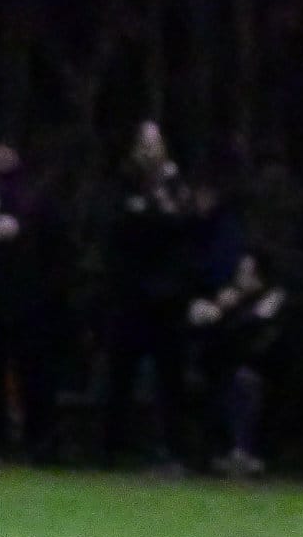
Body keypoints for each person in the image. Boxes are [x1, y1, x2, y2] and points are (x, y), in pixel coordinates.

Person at [0, 142, 65, 462]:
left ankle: (39, 442)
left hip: (28, 300)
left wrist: (21, 229)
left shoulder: (37, 194)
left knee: (33, 372)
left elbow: (56, 244)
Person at [101, 122, 199, 469]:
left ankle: (172, 449)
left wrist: (159, 205)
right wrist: (155, 214)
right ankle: (112, 449)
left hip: (168, 300)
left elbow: (183, 225)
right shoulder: (122, 185)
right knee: (120, 375)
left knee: (171, 378)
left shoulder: (176, 185)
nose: (150, 150)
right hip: (129, 297)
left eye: (155, 143)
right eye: (144, 143)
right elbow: (124, 228)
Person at [187, 250, 287, 477]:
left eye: (246, 273)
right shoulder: (232, 299)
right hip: (224, 368)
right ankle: (213, 453)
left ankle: (244, 452)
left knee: (244, 384)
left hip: (264, 371)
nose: (240, 278)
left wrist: (227, 313)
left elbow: (255, 337)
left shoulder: (272, 300)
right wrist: (214, 311)